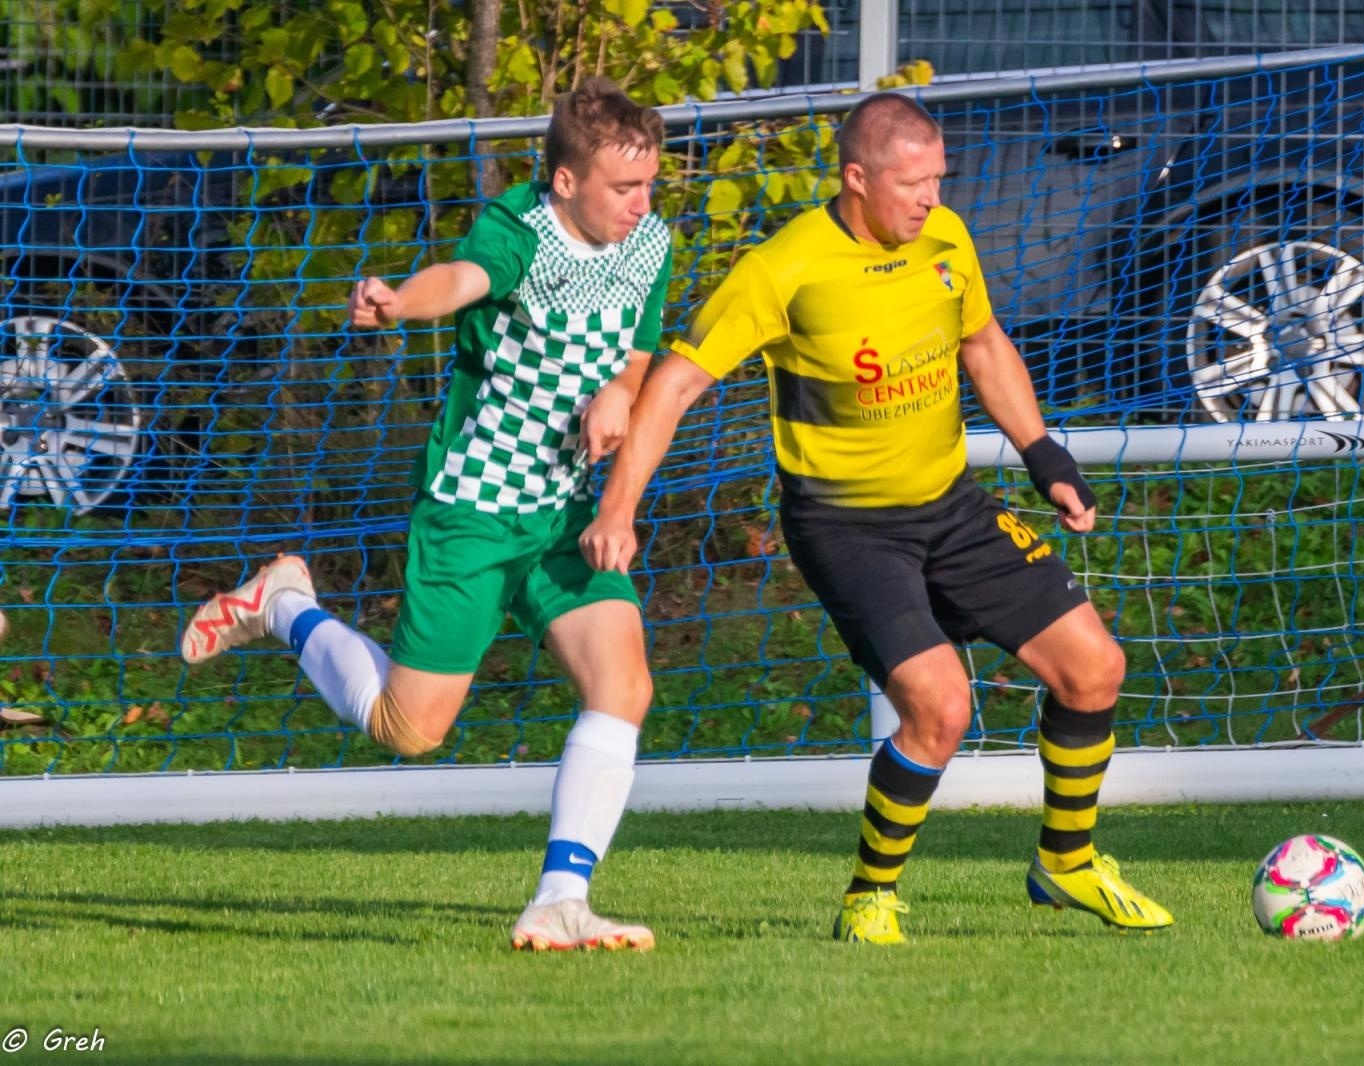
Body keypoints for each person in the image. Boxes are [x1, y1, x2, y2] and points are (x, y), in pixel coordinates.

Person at [582, 92, 1173, 945]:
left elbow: (982, 341)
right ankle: (870, 895)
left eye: (939, 178)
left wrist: (1044, 454)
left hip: (950, 504)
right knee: (940, 706)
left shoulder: (945, 238)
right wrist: (620, 507)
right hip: (846, 527)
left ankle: (1068, 862)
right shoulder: (784, 268)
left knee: (1095, 669)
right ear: (857, 179)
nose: (932, 197)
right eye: (913, 182)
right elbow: (673, 383)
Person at [180, 77, 672, 954]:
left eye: (650, 185)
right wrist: (400, 301)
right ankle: (283, 603)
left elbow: (637, 355)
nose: (643, 204)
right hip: (476, 510)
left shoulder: (650, 243)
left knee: (624, 686)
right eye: (624, 188)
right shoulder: (516, 232)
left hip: (560, 515)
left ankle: (561, 900)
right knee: (411, 729)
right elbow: (463, 278)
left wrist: (616, 391)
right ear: (566, 183)